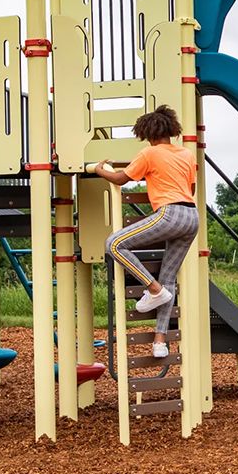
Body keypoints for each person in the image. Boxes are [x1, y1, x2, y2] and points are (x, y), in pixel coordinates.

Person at [96, 105, 198, 358]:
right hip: (192, 217)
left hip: (170, 214)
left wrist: (100, 170)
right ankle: (160, 342)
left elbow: (121, 179)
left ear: (148, 133)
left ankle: (153, 289)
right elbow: (191, 189)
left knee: (114, 244)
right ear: (172, 130)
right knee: (170, 278)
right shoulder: (186, 154)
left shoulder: (150, 153)